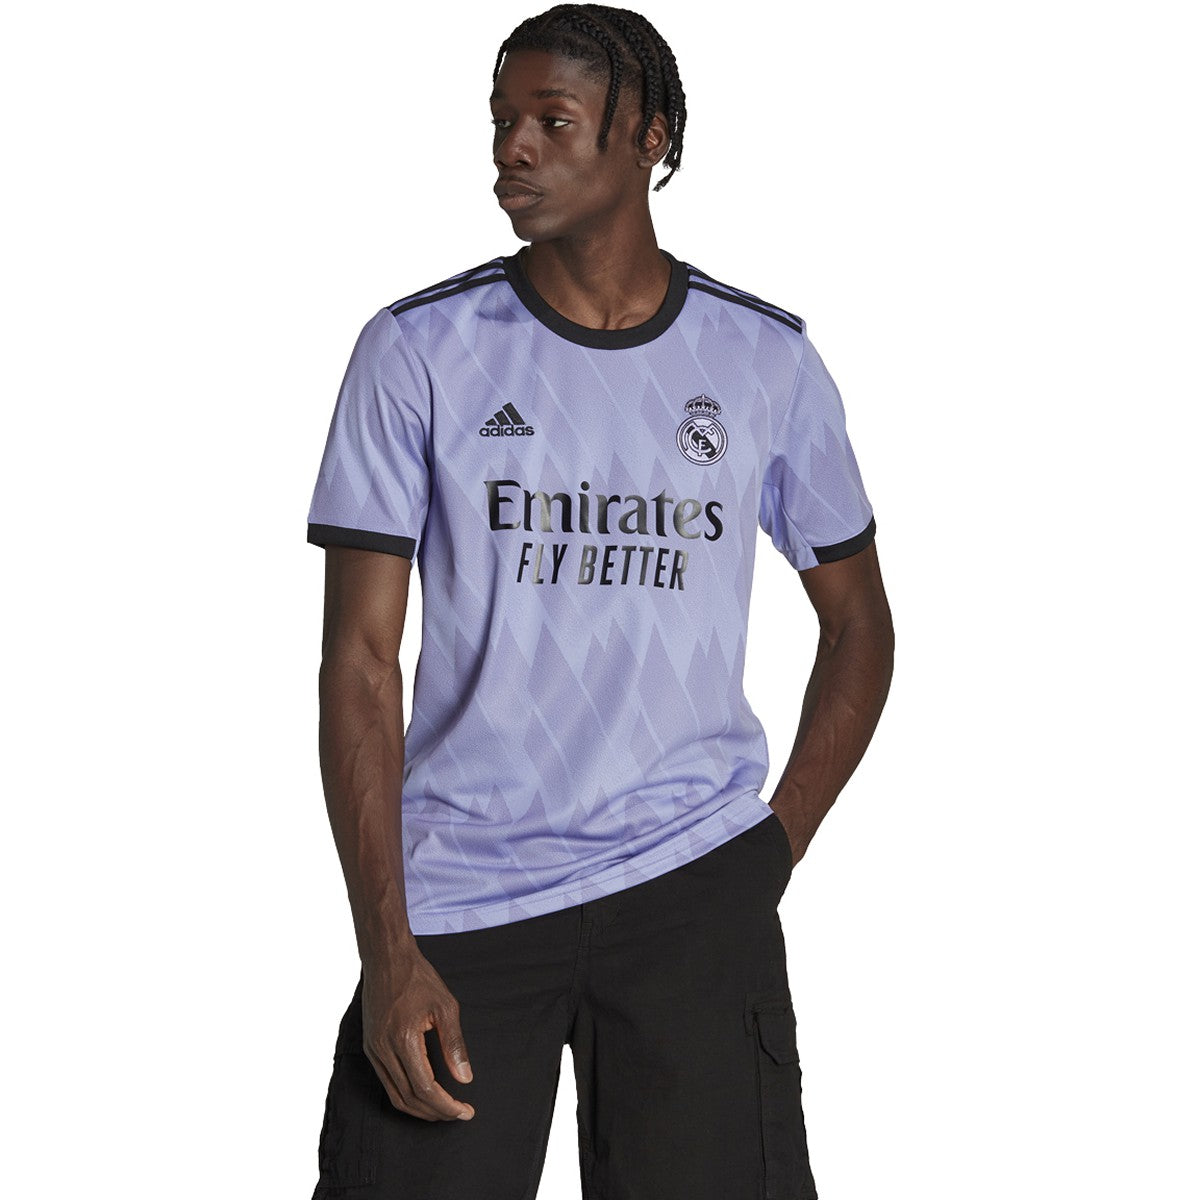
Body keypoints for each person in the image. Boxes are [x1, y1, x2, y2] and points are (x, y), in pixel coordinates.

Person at [304, 5, 894, 1197]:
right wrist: (388, 948)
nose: (511, 148)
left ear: (649, 137)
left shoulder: (763, 361)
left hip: (691, 896)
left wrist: (769, 849)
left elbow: (859, 625)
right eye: (500, 121)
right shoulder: (416, 350)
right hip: (463, 903)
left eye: (551, 121)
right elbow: (359, 663)